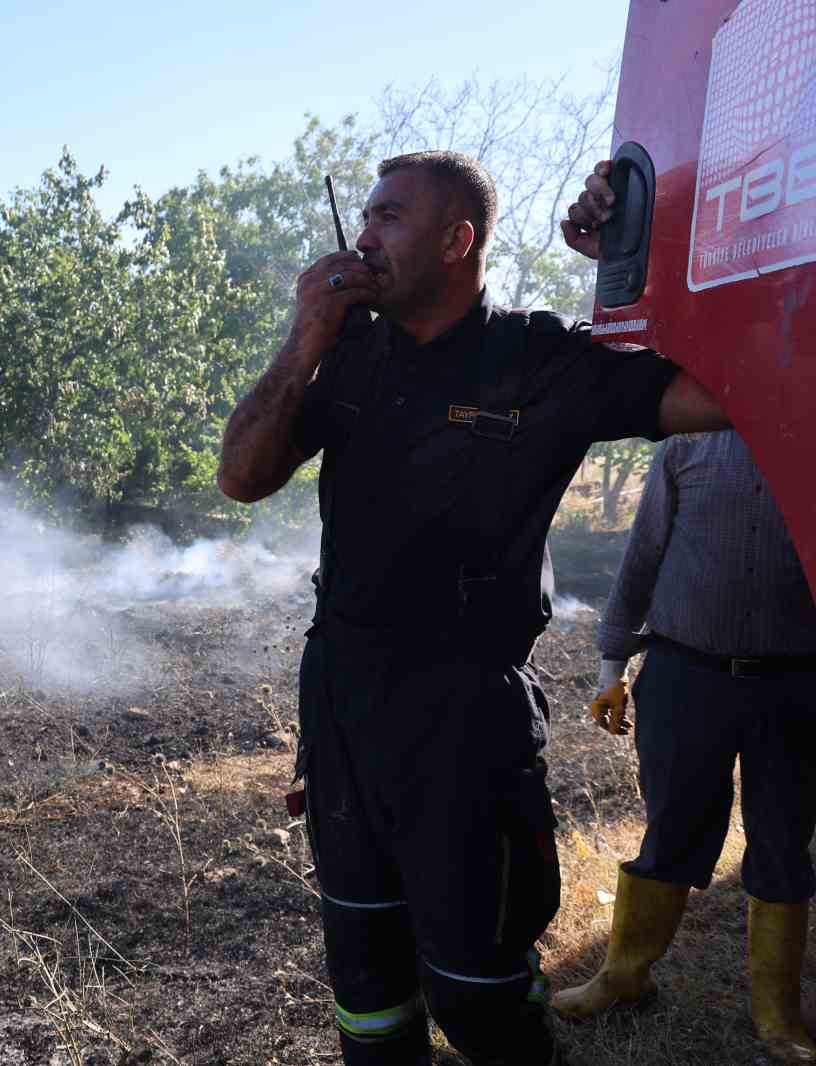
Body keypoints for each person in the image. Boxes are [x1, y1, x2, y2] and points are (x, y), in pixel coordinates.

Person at [218, 150, 728, 1066]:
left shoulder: (539, 360)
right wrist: (304, 335)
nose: (365, 235)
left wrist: (638, 261)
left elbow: (727, 393)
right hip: (342, 703)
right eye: (366, 215)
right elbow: (242, 477)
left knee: (479, 995)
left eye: (392, 219)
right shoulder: (347, 355)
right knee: (367, 985)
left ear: (458, 241)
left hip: (464, 722)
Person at [547, 430, 816, 1062]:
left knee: (783, 838)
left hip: (796, 685)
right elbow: (642, 558)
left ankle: (776, 1011)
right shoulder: (688, 445)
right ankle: (623, 977)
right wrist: (611, 670)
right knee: (672, 829)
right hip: (684, 676)